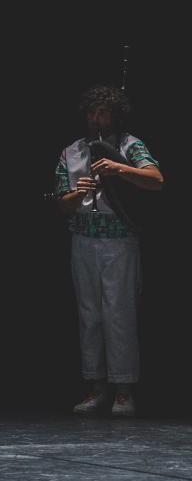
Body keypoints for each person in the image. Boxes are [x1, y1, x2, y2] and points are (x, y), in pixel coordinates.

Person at [52, 84, 164, 417]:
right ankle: (95, 386)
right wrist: (78, 193)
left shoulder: (130, 145)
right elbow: (62, 204)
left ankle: (124, 391)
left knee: (119, 313)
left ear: (115, 115)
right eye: (92, 112)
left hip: (120, 241)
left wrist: (118, 168)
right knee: (89, 315)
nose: (96, 118)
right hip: (83, 239)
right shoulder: (71, 152)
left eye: (103, 113)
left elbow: (156, 179)